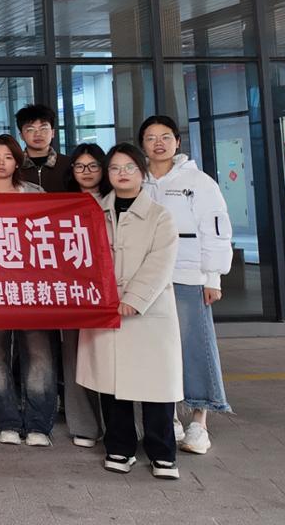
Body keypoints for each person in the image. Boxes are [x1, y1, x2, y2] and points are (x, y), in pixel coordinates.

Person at [78, 143, 183, 480]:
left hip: (148, 312)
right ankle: (119, 446)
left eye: (129, 168)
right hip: (105, 309)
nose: (122, 174)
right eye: (115, 168)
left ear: (142, 171)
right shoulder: (93, 212)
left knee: (155, 386)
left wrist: (134, 298)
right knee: (112, 384)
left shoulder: (160, 216)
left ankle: (162, 451)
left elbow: (161, 262)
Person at [139, 115, 233, 455]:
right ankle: (171, 416)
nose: (159, 143)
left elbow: (216, 230)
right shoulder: (138, 180)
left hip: (188, 276)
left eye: (165, 137)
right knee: (158, 349)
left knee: (195, 346)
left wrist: (213, 276)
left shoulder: (198, 181)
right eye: (151, 137)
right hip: (147, 278)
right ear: (142, 144)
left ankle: (199, 421)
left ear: (177, 142)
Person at [0, 134, 56, 447]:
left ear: (17, 161)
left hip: (31, 286)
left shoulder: (34, 193)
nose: (1, 163)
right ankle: (5, 420)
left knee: (38, 354)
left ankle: (38, 423)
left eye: (8, 157)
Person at [62, 143, 110, 449]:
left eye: (93, 166)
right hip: (73, 292)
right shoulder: (61, 204)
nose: (87, 172)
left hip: (109, 291)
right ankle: (84, 426)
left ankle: (121, 425)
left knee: (110, 357)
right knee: (75, 358)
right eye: (80, 166)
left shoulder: (115, 201)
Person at [16, 104, 72, 192]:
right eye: (30, 129)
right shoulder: (15, 166)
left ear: (53, 133)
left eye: (43, 128)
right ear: (21, 136)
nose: (38, 134)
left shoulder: (68, 164)